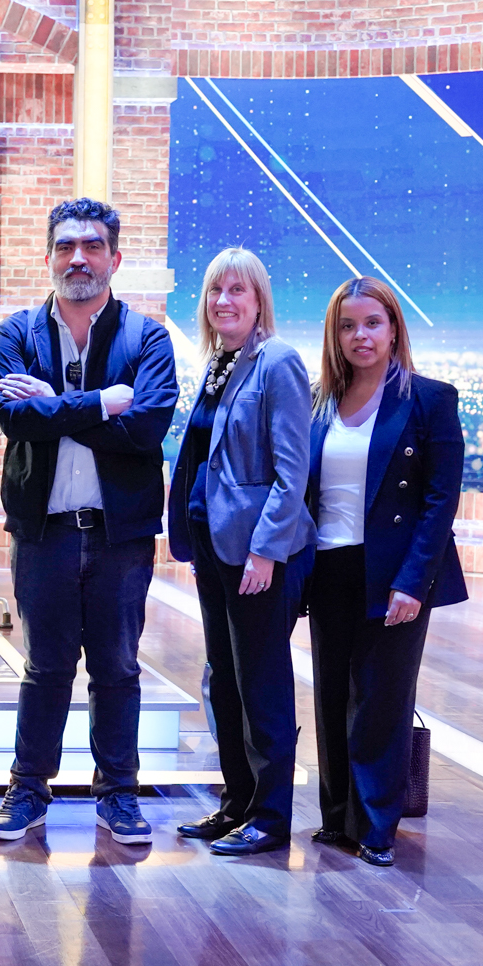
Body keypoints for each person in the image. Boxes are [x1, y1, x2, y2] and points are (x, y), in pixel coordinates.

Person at [0, 199, 178, 847]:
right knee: (44, 667)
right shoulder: (17, 333)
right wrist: (101, 403)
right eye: (66, 246)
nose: (78, 258)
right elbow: (16, 420)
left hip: (119, 532)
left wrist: (58, 406)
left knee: (117, 667)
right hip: (43, 530)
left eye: (92, 246)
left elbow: (145, 428)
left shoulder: (146, 338)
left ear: (114, 259)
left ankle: (119, 793)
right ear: (48, 257)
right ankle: (28, 789)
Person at [305, 277, 466, 867]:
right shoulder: (319, 400)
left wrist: (413, 582)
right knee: (331, 694)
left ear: (394, 328)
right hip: (328, 564)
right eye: (348, 326)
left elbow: (440, 502)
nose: (360, 336)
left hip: (394, 571)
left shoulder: (429, 399)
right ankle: (337, 817)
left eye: (372, 323)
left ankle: (375, 826)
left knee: (381, 697)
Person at [167, 247, 313, 858]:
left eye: (237, 291)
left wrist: (266, 550)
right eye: (214, 291)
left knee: (262, 683)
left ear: (259, 301)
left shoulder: (277, 361)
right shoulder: (220, 362)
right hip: (214, 546)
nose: (223, 301)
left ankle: (271, 816)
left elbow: (292, 471)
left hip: (259, 553)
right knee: (224, 680)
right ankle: (237, 804)